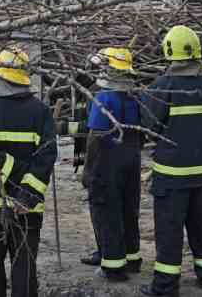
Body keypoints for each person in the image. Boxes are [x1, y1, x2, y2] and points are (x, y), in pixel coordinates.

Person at [0, 47, 56, 297]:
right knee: (25, 270)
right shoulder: (41, 111)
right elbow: (47, 157)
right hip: (28, 206)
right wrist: (26, 193)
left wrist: (12, 180)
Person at [140, 26, 202, 297]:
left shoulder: (164, 85)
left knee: (169, 232)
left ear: (168, 52)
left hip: (172, 175)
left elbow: (148, 123)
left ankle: (165, 287)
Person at [82, 48, 142, 281]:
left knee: (106, 210)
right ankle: (131, 258)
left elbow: (95, 135)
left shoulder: (104, 98)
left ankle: (113, 267)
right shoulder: (134, 96)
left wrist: (87, 170)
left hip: (107, 161)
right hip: (131, 159)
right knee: (128, 209)